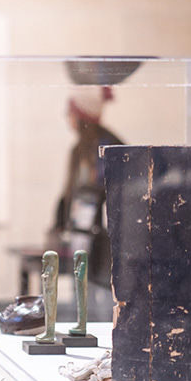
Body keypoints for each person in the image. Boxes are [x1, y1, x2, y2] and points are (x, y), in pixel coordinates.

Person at [48, 86, 123, 288]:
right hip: (82, 237)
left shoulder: (110, 146)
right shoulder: (78, 151)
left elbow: (108, 193)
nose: (68, 119)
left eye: (70, 113)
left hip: (105, 239)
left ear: (81, 116)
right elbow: (70, 193)